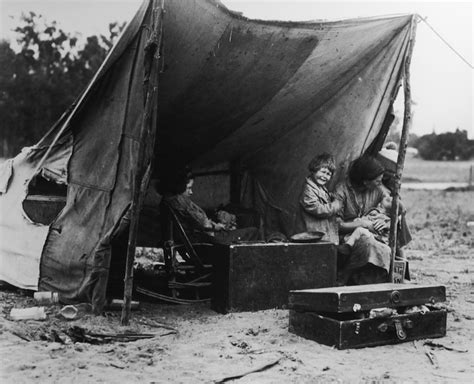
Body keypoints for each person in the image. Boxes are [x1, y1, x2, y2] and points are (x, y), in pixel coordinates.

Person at [160, 169, 259, 245]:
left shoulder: (168, 200)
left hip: (199, 239)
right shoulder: (179, 201)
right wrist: (218, 227)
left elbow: (197, 221)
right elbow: (205, 225)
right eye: (189, 188)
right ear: (179, 186)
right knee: (253, 232)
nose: (191, 192)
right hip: (206, 241)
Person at [335, 156, 391, 285]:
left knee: (384, 247)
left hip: (373, 233)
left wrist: (386, 221)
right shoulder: (341, 190)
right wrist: (362, 224)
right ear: (365, 182)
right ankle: (345, 275)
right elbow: (336, 225)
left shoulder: (378, 189)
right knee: (366, 242)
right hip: (348, 237)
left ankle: (375, 279)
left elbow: (391, 209)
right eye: (377, 181)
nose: (380, 184)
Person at [297, 153, 342, 244]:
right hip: (310, 234)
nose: (324, 176)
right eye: (322, 172)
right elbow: (318, 209)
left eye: (328, 174)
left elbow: (325, 197)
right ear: (314, 170)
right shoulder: (308, 189)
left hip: (322, 233)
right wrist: (335, 205)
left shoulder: (321, 187)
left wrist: (332, 197)